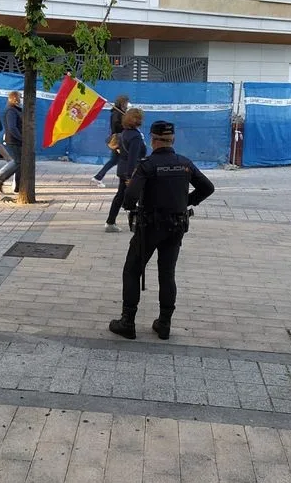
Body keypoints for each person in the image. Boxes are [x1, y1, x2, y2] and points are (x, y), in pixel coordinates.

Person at [108, 121, 215, 341]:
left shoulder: (147, 165)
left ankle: (128, 322)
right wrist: (185, 201)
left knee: (132, 271)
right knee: (167, 274)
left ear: (153, 140)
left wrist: (132, 201)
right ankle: (164, 324)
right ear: (172, 139)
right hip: (176, 226)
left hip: (149, 227)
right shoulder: (184, 163)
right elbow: (208, 188)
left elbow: (129, 198)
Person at [105, 107, 146, 233]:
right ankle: (138, 222)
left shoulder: (124, 133)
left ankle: (110, 222)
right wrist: (130, 176)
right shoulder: (135, 136)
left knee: (120, 196)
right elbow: (133, 157)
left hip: (122, 167)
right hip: (132, 170)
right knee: (139, 196)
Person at [91, 95, 129, 187]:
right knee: (119, 160)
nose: (127, 104)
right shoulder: (117, 113)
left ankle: (98, 177)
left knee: (114, 160)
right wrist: (126, 125)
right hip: (119, 140)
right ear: (122, 103)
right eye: (126, 102)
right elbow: (115, 127)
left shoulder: (119, 112)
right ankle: (98, 177)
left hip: (120, 139)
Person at [0, 91, 22, 194]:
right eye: (20, 97)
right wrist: (22, 138)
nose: (21, 99)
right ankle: (0, 177)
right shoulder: (11, 110)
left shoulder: (16, 110)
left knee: (20, 162)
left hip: (16, 140)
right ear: (15, 98)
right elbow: (12, 127)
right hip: (13, 140)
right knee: (18, 161)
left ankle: (18, 186)